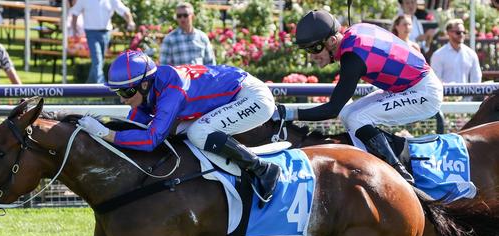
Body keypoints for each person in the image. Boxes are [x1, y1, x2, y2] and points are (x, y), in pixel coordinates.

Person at [76, 50, 281, 203]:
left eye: (126, 93)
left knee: (198, 132)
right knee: (180, 131)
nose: (122, 100)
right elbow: (135, 126)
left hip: (253, 97)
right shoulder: (151, 86)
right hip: (232, 94)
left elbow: (150, 140)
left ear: (144, 84)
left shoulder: (171, 91)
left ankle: (262, 169)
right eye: (118, 93)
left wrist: (106, 134)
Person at [278, 9, 444, 184]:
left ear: (332, 40)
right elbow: (340, 110)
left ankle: (398, 173)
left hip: (425, 92)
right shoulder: (352, 34)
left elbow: (332, 109)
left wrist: (285, 113)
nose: (312, 57)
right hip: (408, 86)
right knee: (348, 114)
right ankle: (369, 162)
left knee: (357, 118)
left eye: (314, 48)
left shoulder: (352, 57)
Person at [69, 0, 136, 84]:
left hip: (106, 33)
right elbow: (75, 12)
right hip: (91, 32)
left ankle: (88, 87)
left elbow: (124, 10)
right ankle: (102, 86)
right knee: (97, 59)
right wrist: (74, 30)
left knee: (99, 61)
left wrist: (130, 21)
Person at [429, 19, 482, 84]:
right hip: (445, 94)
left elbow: (476, 79)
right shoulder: (438, 55)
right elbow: (435, 80)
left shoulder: (471, 54)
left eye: (464, 32)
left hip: (466, 94)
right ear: (448, 32)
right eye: (458, 32)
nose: (462, 35)